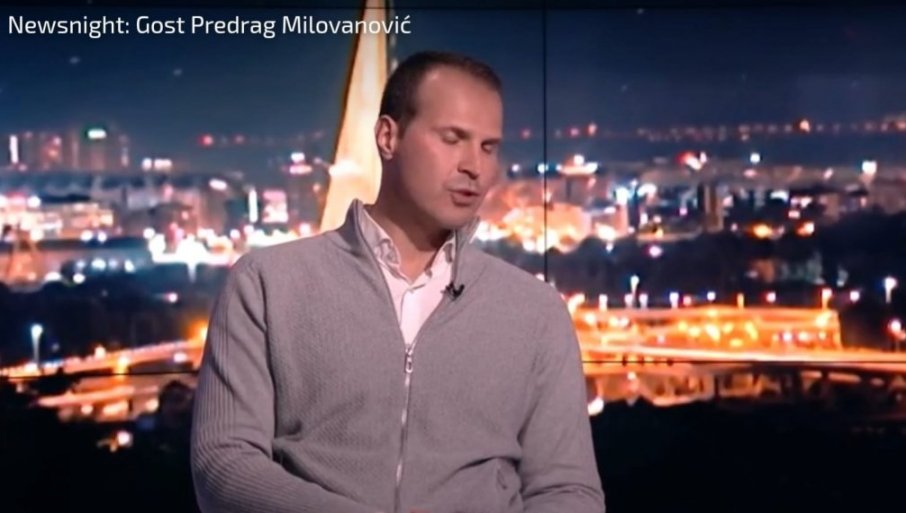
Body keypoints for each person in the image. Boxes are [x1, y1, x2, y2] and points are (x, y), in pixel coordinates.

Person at [190, 50, 605, 513]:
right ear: (388, 137)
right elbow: (225, 467)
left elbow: (567, 492)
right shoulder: (267, 284)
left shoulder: (535, 311)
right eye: (453, 139)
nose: (475, 166)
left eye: (489, 147)